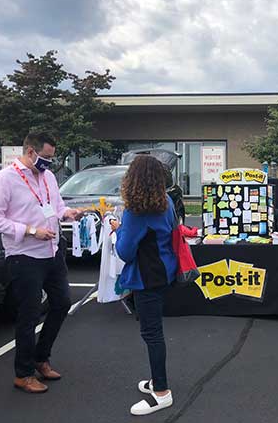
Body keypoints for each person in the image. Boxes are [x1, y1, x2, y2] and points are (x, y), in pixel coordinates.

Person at [0, 132, 83, 393]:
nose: (49, 163)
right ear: (30, 152)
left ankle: (41, 358)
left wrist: (68, 213)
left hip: (52, 251)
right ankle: (23, 373)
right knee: (28, 315)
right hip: (24, 256)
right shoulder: (4, 180)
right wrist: (29, 230)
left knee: (62, 303)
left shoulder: (48, 176)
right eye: (46, 157)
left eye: (51, 158)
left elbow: (56, 205)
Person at [111, 155, 177, 416]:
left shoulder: (135, 211)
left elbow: (125, 252)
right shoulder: (167, 201)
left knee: (152, 334)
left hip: (146, 277)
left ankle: (161, 392)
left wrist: (118, 230)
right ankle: (155, 382)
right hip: (165, 271)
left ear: (132, 179)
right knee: (155, 331)